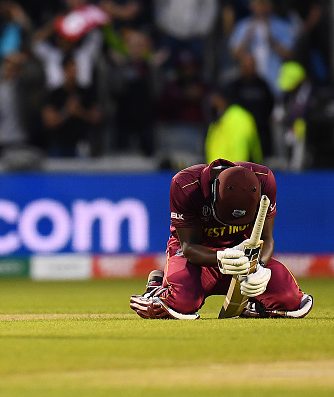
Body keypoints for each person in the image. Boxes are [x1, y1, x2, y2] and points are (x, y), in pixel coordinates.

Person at [130, 159, 313, 319]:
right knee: (181, 303)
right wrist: (220, 257)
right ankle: (155, 288)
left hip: (244, 259)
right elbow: (188, 247)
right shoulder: (184, 185)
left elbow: (266, 239)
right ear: (214, 196)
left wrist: (260, 267)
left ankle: (252, 306)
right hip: (197, 259)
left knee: (291, 300)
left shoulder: (264, 180)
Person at [205, 87, 263, 164]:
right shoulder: (220, 118)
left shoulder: (236, 117)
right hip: (223, 169)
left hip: (231, 169)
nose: (212, 101)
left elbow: (241, 145)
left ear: (223, 99)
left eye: (216, 98)